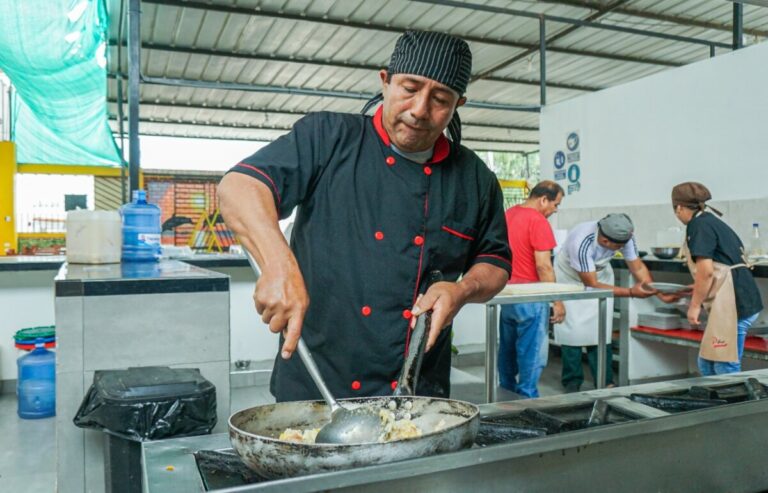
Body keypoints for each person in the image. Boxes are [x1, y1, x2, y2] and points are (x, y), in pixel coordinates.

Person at [217, 31, 511, 402]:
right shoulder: (327, 137)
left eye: (440, 99)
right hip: (317, 388)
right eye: (410, 87)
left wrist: (462, 290)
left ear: (458, 104)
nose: (420, 109)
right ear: (385, 81)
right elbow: (240, 185)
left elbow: (495, 261)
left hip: (417, 392)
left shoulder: (475, 177)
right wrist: (278, 264)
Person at [659, 182, 763, 375]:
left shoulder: (697, 225)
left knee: (725, 365)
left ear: (679, 207)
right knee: (707, 363)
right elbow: (717, 269)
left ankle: (735, 404)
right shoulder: (710, 221)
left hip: (735, 303)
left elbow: (706, 272)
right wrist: (688, 290)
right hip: (737, 297)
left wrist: (694, 306)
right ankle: (717, 404)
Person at [554, 213, 656, 392]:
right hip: (570, 277)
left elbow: (637, 267)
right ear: (602, 236)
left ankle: (605, 381)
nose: (614, 248)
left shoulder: (626, 238)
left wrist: (655, 290)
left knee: (601, 331)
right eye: (611, 244)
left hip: (601, 274)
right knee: (572, 332)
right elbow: (591, 284)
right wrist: (632, 292)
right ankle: (572, 382)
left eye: (618, 246)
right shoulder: (582, 240)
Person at [498, 181, 565, 398]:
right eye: (555, 204)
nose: (555, 210)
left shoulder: (509, 214)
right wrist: (557, 301)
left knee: (507, 349)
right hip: (531, 295)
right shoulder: (538, 221)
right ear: (543, 199)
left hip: (507, 294)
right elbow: (543, 265)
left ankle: (506, 394)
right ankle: (527, 399)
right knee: (532, 353)